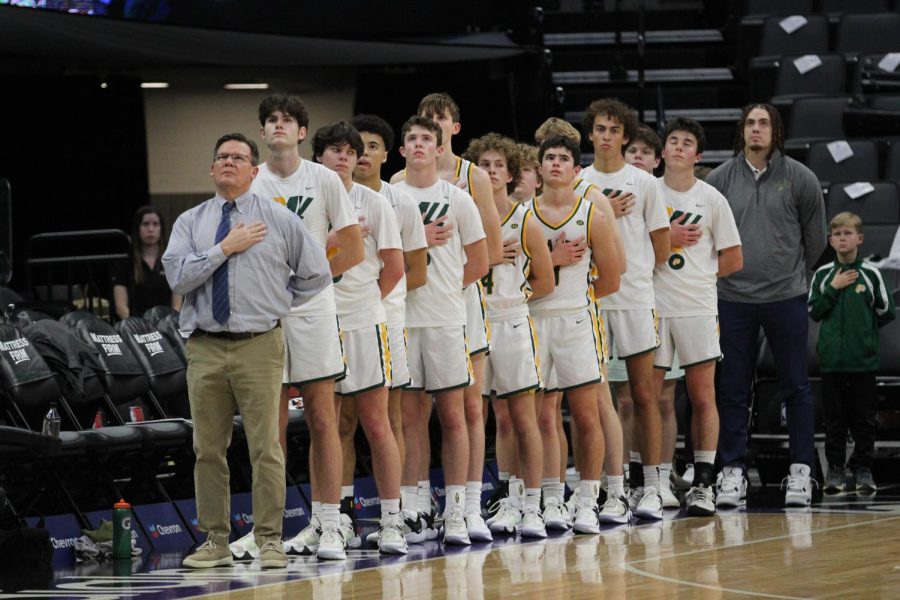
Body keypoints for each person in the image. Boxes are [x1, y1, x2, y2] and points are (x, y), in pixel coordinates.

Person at [164, 133, 331, 570]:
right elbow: (177, 280)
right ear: (211, 168)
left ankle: (270, 540)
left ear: (254, 171)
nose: (228, 163)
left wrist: (278, 302)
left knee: (266, 448)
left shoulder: (279, 220)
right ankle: (215, 540)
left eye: (238, 157)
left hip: (259, 344)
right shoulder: (190, 222)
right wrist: (224, 249)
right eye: (221, 157)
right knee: (207, 449)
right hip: (204, 346)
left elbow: (317, 273)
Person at [248, 94, 364, 561]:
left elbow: (353, 250)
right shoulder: (250, 182)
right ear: (262, 132)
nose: (279, 125)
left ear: (301, 133)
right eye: (271, 119)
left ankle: (330, 525)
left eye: (288, 120)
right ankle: (268, 531)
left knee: (323, 419)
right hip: (265, 313)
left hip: (314, 309)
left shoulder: (324, 180)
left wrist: (309, 282)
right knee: (268, 427)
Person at [706, 103, 826, 508]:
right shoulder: (719, 179)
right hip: (733, 299)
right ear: (741, 131)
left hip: (785, 297)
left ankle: (801, 472)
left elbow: (816, 240)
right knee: (733, 389)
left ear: (776, 131)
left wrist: (789, 274)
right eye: (750, 124)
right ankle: (732, 472)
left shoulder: (800, 178)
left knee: (797, 386)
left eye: (764, 124)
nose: (756, 130)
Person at [393, 93, 502, 542]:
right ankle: (416, 507)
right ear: (404, 147)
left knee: (464, 410)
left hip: (454, 311)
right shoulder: (391, 190)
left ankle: (465, 506)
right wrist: (418, 242)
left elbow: (487, 254)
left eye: (432, 130)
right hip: (404, 314)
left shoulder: (468, 183)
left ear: (446, 137)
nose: (423, 140)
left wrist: (445, 288)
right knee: (411, 414)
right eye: (415, 133)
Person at [313, 121, 408, 554]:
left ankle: (392, 520)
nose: (345, 156)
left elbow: (395, 268)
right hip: (317, 322)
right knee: (327, 425)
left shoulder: (375, 202)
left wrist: (365, 304)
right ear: (319, 158)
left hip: (365, 321)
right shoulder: (308, 202)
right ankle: (329, 521)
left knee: (377, 422)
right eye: (335, 150)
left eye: (350, 151)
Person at [579, 98, 671, 520]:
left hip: (634, 297)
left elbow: (662, 246)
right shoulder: (580, 182)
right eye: (600, 129)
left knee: (644, 393)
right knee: (592, 400)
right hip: (592, 299)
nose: (606, 136)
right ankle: (603, 489)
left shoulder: (645, 182)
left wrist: (632, 277)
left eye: (614, 130)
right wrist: (603, 212)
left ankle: (651, 485)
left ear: (626, 136)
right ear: (591, 134)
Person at [463, 133, 554, 538]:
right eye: (484, 165)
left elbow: (546, 281)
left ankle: (530, 503)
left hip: (513, 319)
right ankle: (507, 494)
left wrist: (516, 295)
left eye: (500, 165)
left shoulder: (526, 218)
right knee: (491, 418)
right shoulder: (466, 216)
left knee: (523, 417)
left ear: (512, 173)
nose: (492, 171)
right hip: (474, 320)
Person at [528, 135, 620, 534]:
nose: (555, 164)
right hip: (532, 320)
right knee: (542, 416)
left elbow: (613, 278)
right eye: (548, 157)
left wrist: (576, 300)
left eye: (563, 158)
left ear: (576, 170)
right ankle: (550, 500)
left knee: (585, 415)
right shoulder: (525, 214)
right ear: (539, 167)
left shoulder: (592, 215)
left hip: (576, 320)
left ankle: (587, 499)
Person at [654, 118, 743, 516]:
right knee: (655, 397)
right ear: (662, 152)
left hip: (697, 307)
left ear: (698, 155)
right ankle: (657, 482)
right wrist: (663, 238)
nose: (677, 147)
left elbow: (734, 258)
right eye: (672, 141)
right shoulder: (648, 194)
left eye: (686, 142)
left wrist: (700, 276)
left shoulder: (711, 199)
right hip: (653, 306)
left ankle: (704, 483)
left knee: (702, 395)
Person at [349, 114, 429, 544]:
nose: (363, 154)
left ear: (386, 153)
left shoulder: (400, 202)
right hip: (338, 323)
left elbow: (415, 271)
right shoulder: (333, 196)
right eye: (356, 146)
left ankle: (397, 513)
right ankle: (339, 516)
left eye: (372, 146)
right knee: (340, 423)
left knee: (390, 419)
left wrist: (375, 300)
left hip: (387, 321)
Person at [621, 125, 685, 509]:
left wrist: (665, 237)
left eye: (647, 152)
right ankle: (629, 475)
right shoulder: (611, 194)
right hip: (625, 303)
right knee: (625, 400)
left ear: (658, 160)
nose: (639, 157)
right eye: (634, 151)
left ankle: (661, 474)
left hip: (665, 305)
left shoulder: (670, 196)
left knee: (663, 399)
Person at [809, 212, 895, 494]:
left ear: (859, 238)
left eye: (848, 233)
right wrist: (833, 289)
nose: (842, 238)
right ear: (830, 240)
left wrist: (864, 337)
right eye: (837, 234)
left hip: (863, 363)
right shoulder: (822, 275)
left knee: (863, 420)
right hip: (832, 363)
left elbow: (886, 311)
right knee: (834, 421)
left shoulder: (871, 274)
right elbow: (815, 311)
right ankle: (835, 470)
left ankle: (863, 469)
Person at [113, 206, 182, 320]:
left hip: (166, 327)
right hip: (136, 328)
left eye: (155, 224)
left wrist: (167, 326)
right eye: (145, 224)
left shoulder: (172, 261)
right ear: (138, 228)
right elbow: (120, 307)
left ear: (161, 228)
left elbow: (176, 306)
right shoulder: (124, 262)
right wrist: (139, 327)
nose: (151, 229)